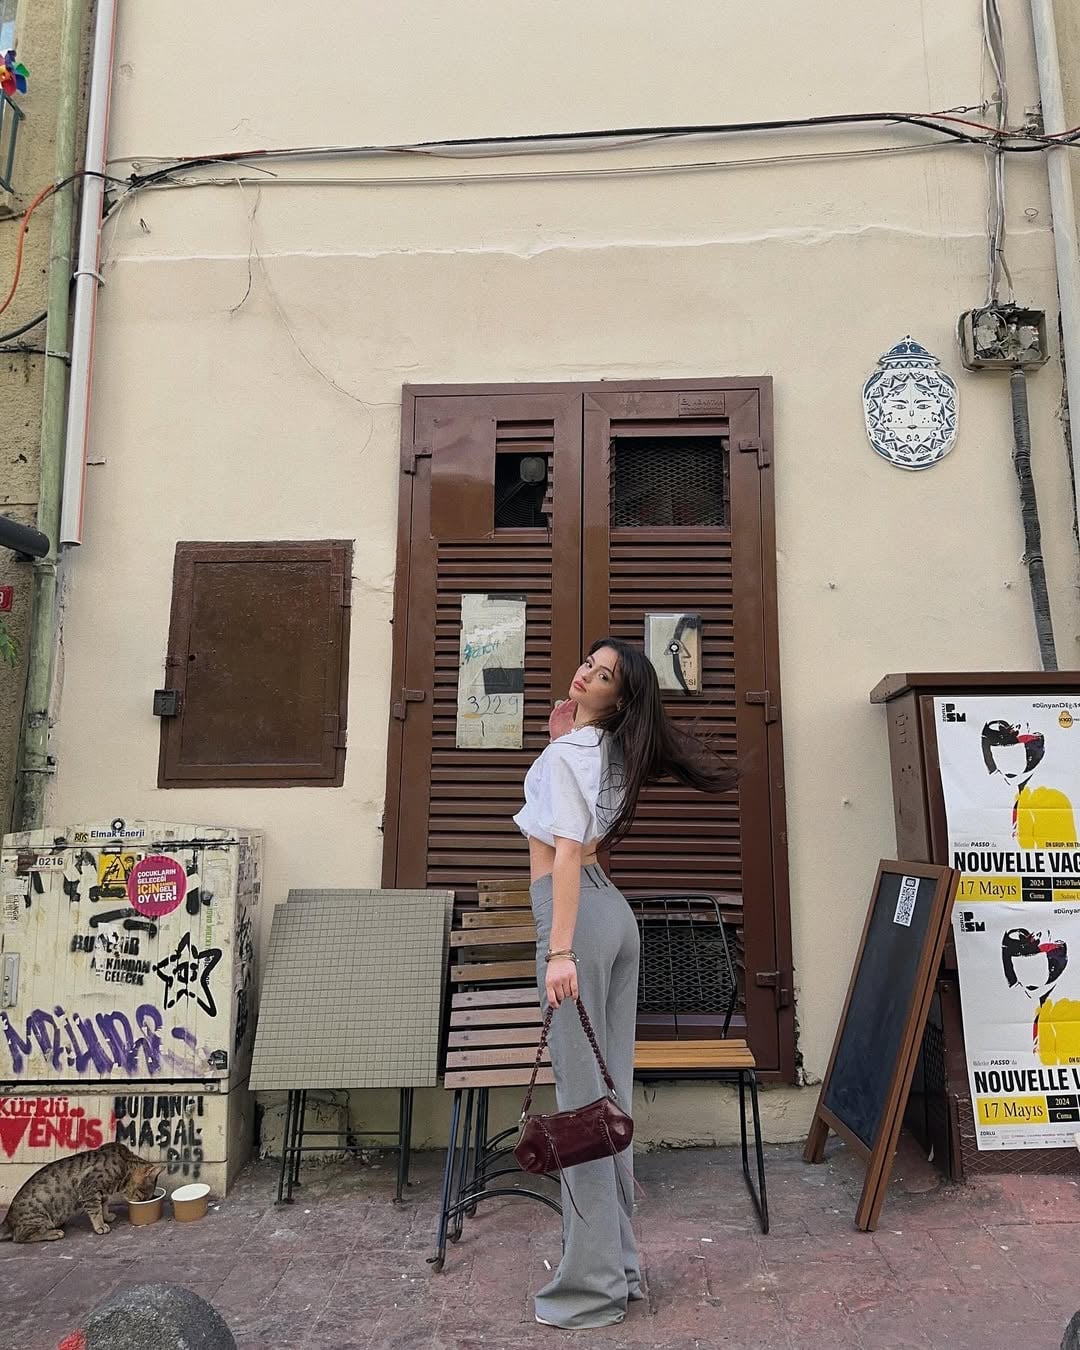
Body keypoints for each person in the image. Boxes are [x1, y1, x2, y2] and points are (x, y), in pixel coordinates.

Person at [513, 636, 737, 1330]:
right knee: (607, 1102)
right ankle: (623, 1269)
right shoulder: (607, 751)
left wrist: (558, 951)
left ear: (619, 698)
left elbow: (567, 852)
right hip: (612, 913)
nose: (586, 673)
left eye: (604, 675)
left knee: (582, 1110)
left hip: (574, 917)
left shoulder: (570, 756)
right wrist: (566, 733)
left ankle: (591, 1290)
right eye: (589, 663)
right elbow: (583, 832)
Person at [981, 719, 1078, 849]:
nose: (1006, 766)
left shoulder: (1050, 798)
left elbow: (1060, 852)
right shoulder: (1019, 797)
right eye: (999, 754)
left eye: (1012, 754)